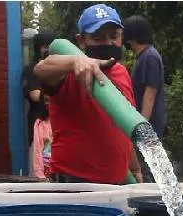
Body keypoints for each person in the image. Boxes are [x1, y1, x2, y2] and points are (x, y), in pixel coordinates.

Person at [34, 4, 143, 184]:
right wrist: (74, 62)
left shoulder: (122, 72)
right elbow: (41, 69)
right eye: (98, 38)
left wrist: (135, 167)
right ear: (82, 41)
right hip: (74, 186)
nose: (108, 43)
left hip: (116, 185)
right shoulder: (68, 73)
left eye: (114, 36)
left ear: (122, 36)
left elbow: (122, 124)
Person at [123, 15, 166, 138]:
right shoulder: (143, 56)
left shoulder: (150, 57)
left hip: (150, 125)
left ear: (132, 37)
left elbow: (150, 95)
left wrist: (142, 130)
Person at [22, 31, 57, 174]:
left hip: (59, 127)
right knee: (39, 170)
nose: (48, 50)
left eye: (51, 46)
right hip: (39, 126)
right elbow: (36, 96)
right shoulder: (31, 70)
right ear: (37, 48)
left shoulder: (62, 69)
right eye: (44, 46)